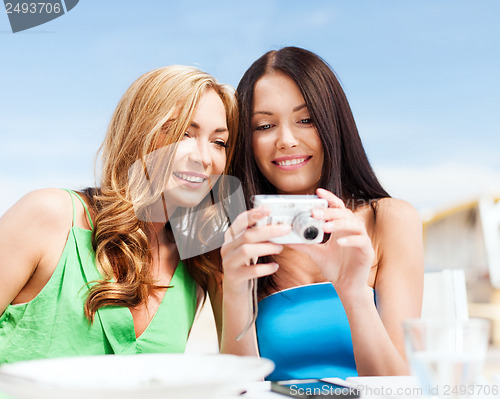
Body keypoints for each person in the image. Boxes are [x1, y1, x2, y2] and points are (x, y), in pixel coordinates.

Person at [0, 65, 237, 364]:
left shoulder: (196, 268)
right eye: (182, 133)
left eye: (219, 142)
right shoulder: (48, 216)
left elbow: (241, 373)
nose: (204, 157)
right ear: (139, 134)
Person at [220, 47, 424, 380]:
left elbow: (399, 388)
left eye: (306, 119)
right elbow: (237, 387)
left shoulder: (390, 220)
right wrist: (236, 291)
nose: (286, 140)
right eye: (265, 125)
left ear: (333, 123)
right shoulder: (240, 236)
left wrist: (354, 293)